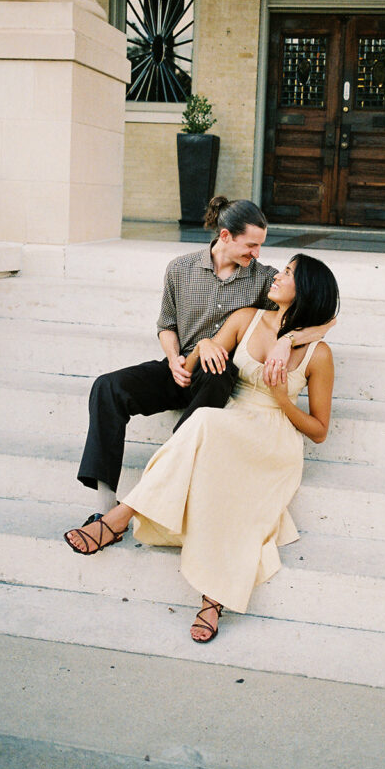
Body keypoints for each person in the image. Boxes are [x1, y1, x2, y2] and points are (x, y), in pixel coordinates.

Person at [64, 254, 339, 643]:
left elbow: (320, 431)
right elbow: (194, 366)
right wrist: (206, 343)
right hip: (230, 420)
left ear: (306, 289)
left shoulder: (319, 354)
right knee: (209, 436)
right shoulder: (247, 318)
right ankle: (211, 598)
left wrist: (283, 398)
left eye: (289, 273)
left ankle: (122, 520)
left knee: (205, 424)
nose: (277, 275)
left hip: (273, 437)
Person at [74, 196, 334, 525]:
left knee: (220, 367)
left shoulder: (263, 279)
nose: (257, 253)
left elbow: (323, 315)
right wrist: (173, 359)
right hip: (182, 366)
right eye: (251, 245)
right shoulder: (180, 269)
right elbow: (166, 325)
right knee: (107, 387)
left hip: (218, 379)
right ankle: (104, 504)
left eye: (260, 245)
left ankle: (167, 471)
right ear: (225, 236)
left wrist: (288, 340)